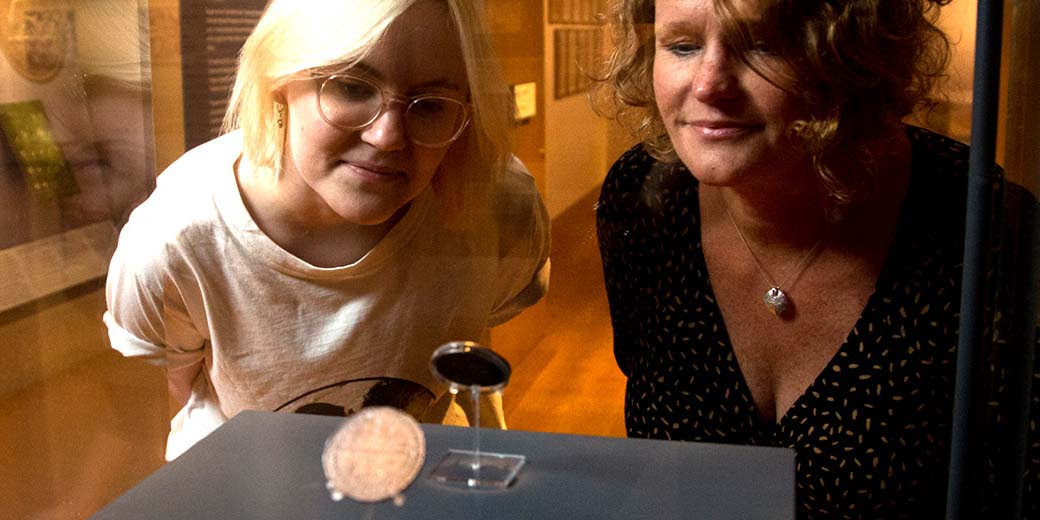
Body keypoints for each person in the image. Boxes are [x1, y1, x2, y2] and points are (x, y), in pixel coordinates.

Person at [593, 0, 1037, 517]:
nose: (710, 85)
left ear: (852, 53)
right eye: (683, 46)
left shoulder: (985, 231)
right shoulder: (643, 199)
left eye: (761, 45)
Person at [104, 0, 549, 461]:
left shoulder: (498, 206)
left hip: (421, 480)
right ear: (281, 80)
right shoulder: (178, 234)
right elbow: (176, 380)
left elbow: (474, 326)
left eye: (431, 105)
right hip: (245, 487)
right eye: (352, 87)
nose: (388, 136)